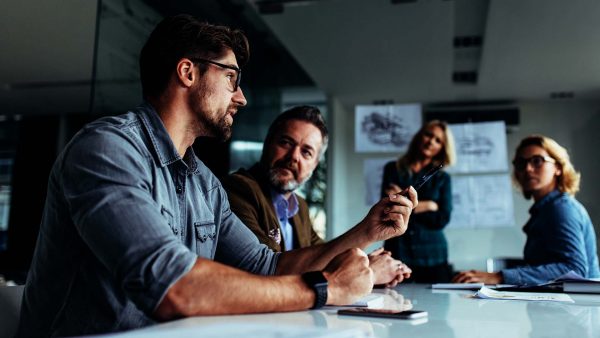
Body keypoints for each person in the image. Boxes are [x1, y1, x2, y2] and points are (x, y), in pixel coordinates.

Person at [16, 14, 417, 337]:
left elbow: (267, 266)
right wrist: (326, 289)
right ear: (187, 73)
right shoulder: (106, 149)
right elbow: (173, 286)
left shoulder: (204, 183)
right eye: (231, 78)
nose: (240, 96)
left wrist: (368, 231)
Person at [222, 106, 412, 287]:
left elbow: (323, 258)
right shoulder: (238, 189)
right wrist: (369, 270)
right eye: (286, 143)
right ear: (267, 144)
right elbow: (268, 271)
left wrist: (366, 263)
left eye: (306, 152)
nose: (294, 156)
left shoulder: (299, 207)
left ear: (314, 165)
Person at [453, 135, 600, 285]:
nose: (528, 169)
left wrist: (500, 276)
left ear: (558, 168)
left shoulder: (561, 209)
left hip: (578, 306)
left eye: (537, 161)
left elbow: (574, 270)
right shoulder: (545, 210)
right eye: (521, 164)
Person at [381, 120, 456, 283]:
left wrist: (406, 204)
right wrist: (429, 205)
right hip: (398, 251)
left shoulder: (443, 178)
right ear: (419, 136)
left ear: (442, 148)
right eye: (429, 135)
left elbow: (442, 219)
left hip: (432, 257)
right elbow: (388, 209)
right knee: (394, 303)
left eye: (438, 140)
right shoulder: (392, 169)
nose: (431, 142)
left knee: (438, 306)